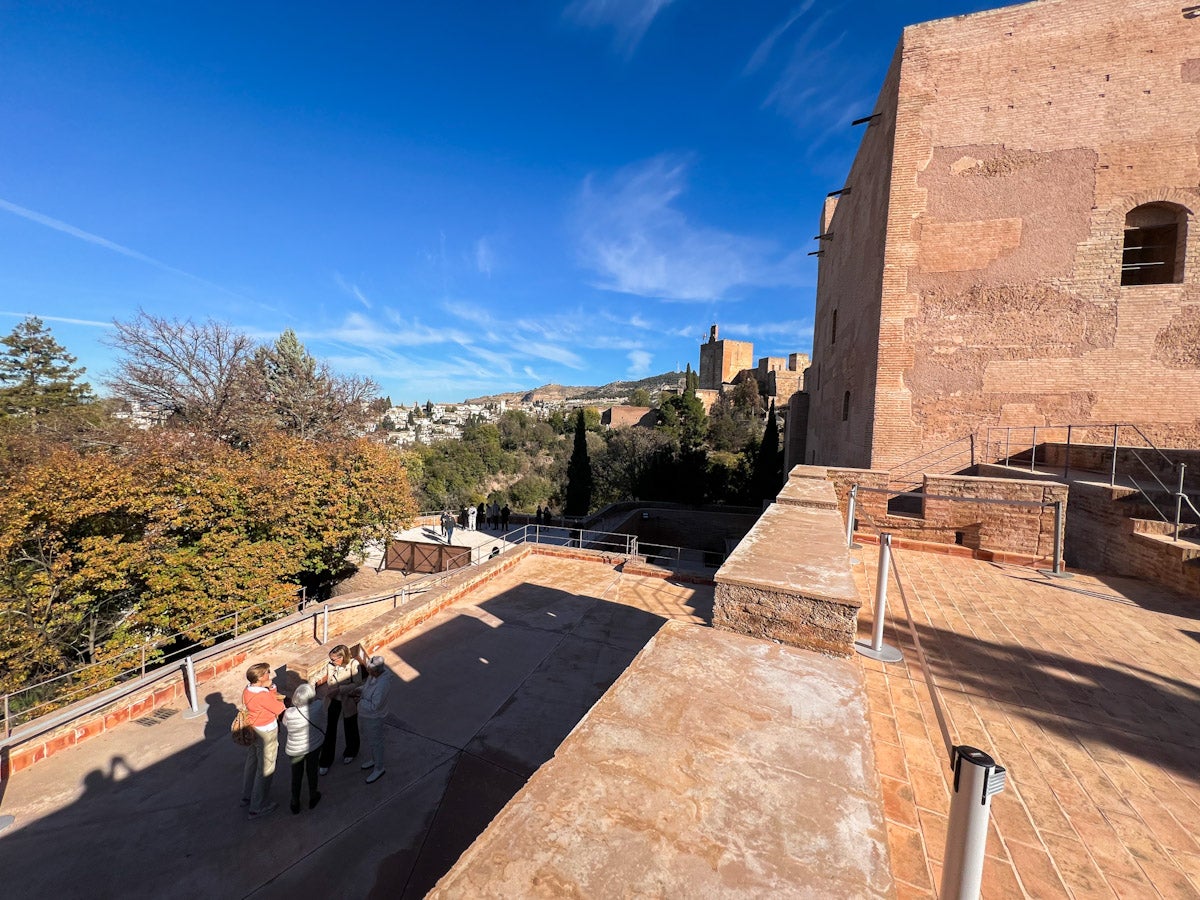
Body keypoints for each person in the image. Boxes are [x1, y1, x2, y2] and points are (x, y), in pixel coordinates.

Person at [241, 662, 285, 819]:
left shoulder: (248, 690)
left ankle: (247, 795)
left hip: (254, 730)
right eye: (267, 673)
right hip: (266, 731)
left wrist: (270, 688)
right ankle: (257, 806)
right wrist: (273, 690)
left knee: (252, 762)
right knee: (265, 768)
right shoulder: (262, 695)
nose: (270, 675)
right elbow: (279, 708)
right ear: (260, 678)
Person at [315, 644, 362, 774]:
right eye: (331, 659)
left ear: (342, 657)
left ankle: (351, 751)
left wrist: (339, 690)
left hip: (347, 700)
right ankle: (325, 761)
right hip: (333, 700)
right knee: (330, 730)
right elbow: (322, 677)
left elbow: (357, 683)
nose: (332, 661)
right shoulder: (331, 666)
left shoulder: (354, 664)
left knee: (350, 726)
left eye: (334, 659)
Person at [282, 683, 324, 814]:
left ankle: (295, 801)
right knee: (312, 771)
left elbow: (285, 724)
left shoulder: (289, 713)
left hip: (295, 749)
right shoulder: (317, 706)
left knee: (296, 774)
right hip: (314, 745)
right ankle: (313, 795)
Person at [351, 655, 393, 784]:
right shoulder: (374, 675)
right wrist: (361, 690)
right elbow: (368, 688)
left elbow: (375, 706)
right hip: (366, 715)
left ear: (376, 671)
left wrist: (359, 701)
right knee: (371, 739)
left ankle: (379, 767)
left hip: (374, 717)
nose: (368, 673)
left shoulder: (382, 684)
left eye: (370, 671)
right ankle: (375, 760)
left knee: (376, 742)